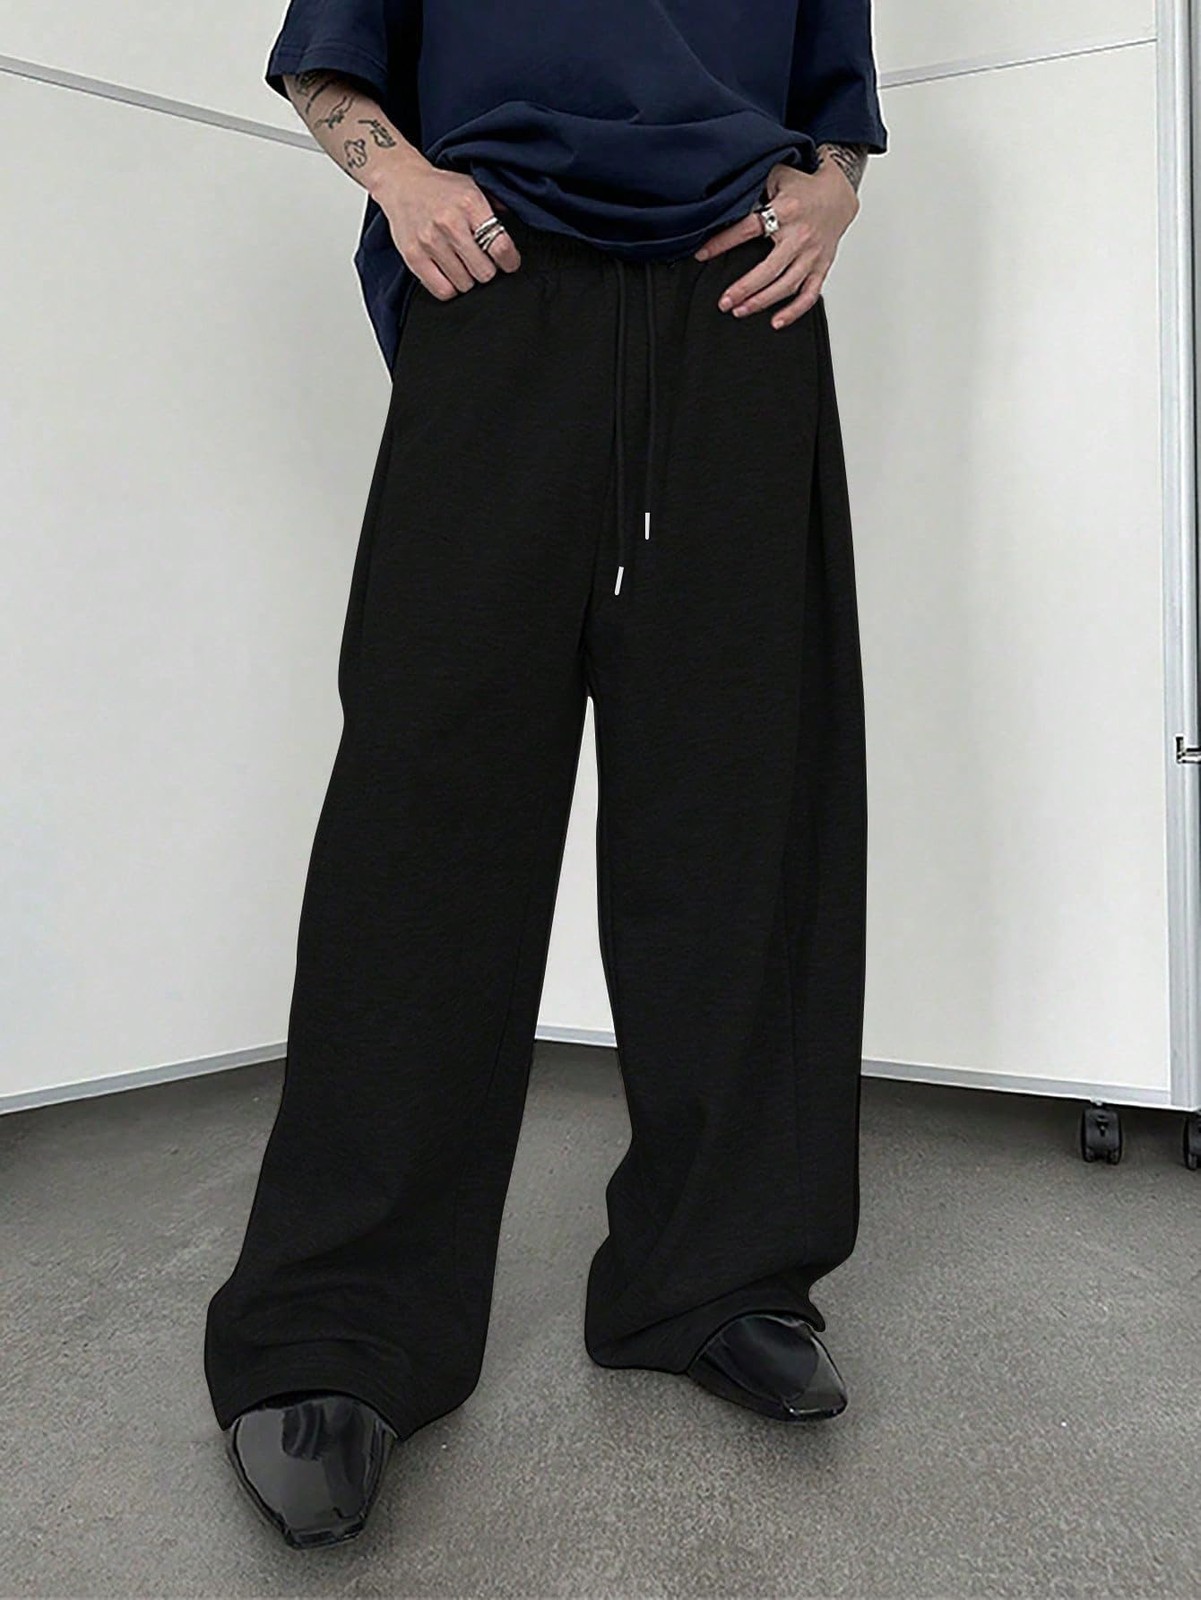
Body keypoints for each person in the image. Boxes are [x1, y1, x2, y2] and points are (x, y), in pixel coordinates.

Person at [204, 0, 888, 1550]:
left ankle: (718, 1275)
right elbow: (329, 49)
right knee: (425, 812)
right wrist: (399, 179)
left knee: (742, 798)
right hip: (498, 277)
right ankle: (340, 1320)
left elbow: (832, 93)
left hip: (739, 295)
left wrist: (831, 193)